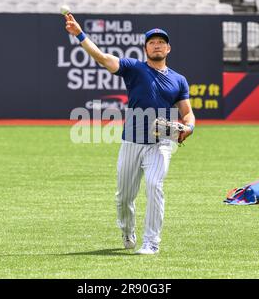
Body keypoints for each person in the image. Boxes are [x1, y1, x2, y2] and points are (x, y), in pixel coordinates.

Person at [64, 14, 195, 255]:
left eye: (161, 42)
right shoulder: (134, 68)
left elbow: (188, 114)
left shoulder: (179, 80)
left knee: (155, 186)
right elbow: (103, 58)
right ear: (145, 48)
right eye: (152, 42)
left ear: (168, 48)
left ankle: (151, 242)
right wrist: (80, 35)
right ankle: (127, 230)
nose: (157, 45)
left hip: (161, 143)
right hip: (132, 142)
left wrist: (188, 128)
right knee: (124, 197)